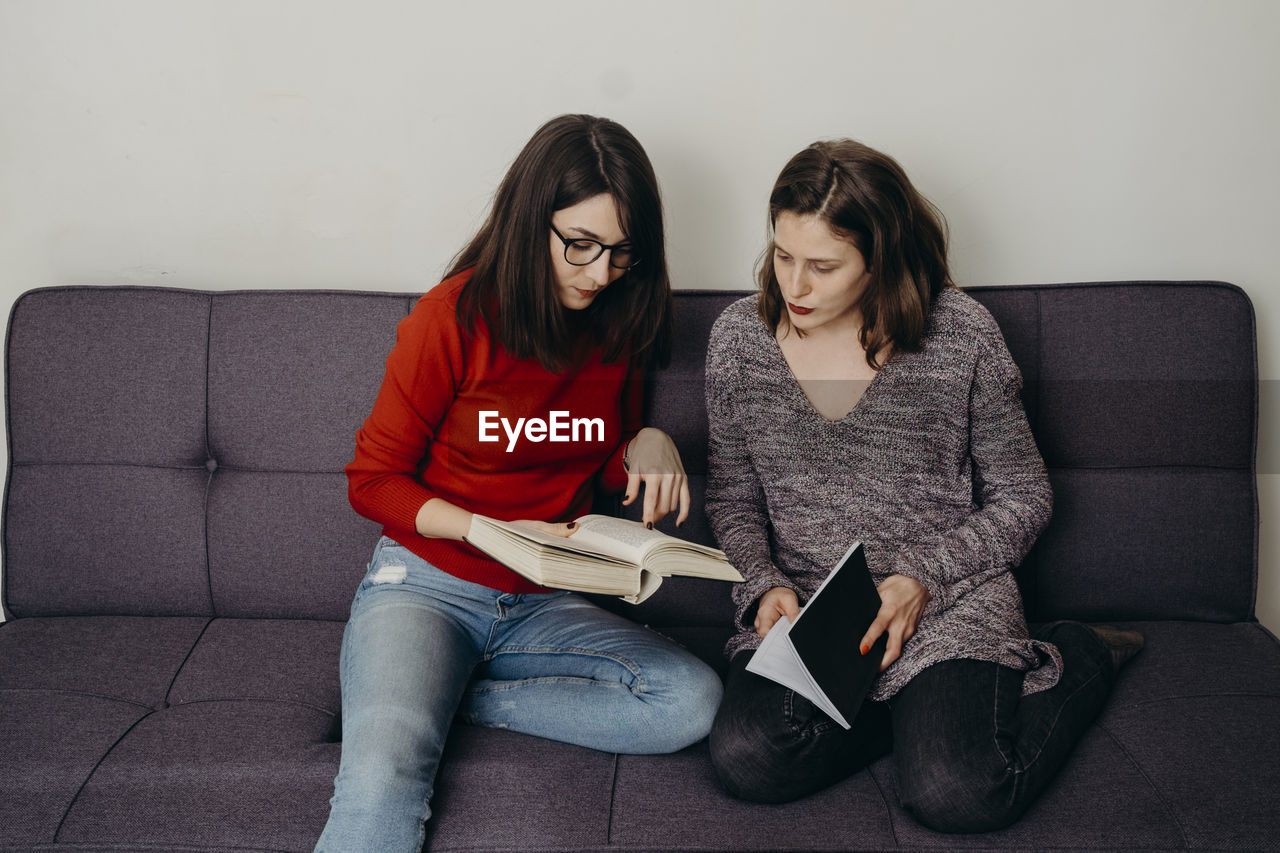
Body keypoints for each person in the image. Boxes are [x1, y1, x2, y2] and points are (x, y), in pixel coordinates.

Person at [703, 139, 1143, 832]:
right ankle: (907, 710)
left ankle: (1082, 651)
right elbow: (732, 498)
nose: (795, 286)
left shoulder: (960, 335)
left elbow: (1025, 496)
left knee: (956, 792)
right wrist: (762, 582)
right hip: (817, 619)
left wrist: (923, 578)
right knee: (747, 757)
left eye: (823, 266)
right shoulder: (738, 340)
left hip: (946, 603)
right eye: (783, 256)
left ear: (881, 259)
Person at [315, 114, 723, 852]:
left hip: (542, 600)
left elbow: (592, 453)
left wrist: (646, 441)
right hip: (426, 584)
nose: (599, 273)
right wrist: (480, 527)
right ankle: (416, 698)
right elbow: (372, 481)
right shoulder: (451, 317)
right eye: (581, 245)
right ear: (531, 221)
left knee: (689, 700)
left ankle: (455, 697)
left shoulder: (617, 321)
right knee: (383, 772)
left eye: (622, 254)